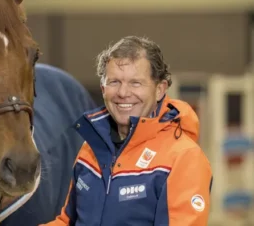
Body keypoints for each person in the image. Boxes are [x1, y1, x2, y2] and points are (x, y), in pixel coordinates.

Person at [40, 36, 213, 226]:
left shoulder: (183, 157)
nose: (123, 93)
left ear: (159, 89)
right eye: (114, 82)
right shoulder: (90, 151)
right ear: (103, 88)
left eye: (135, 83)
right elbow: (68, 221)